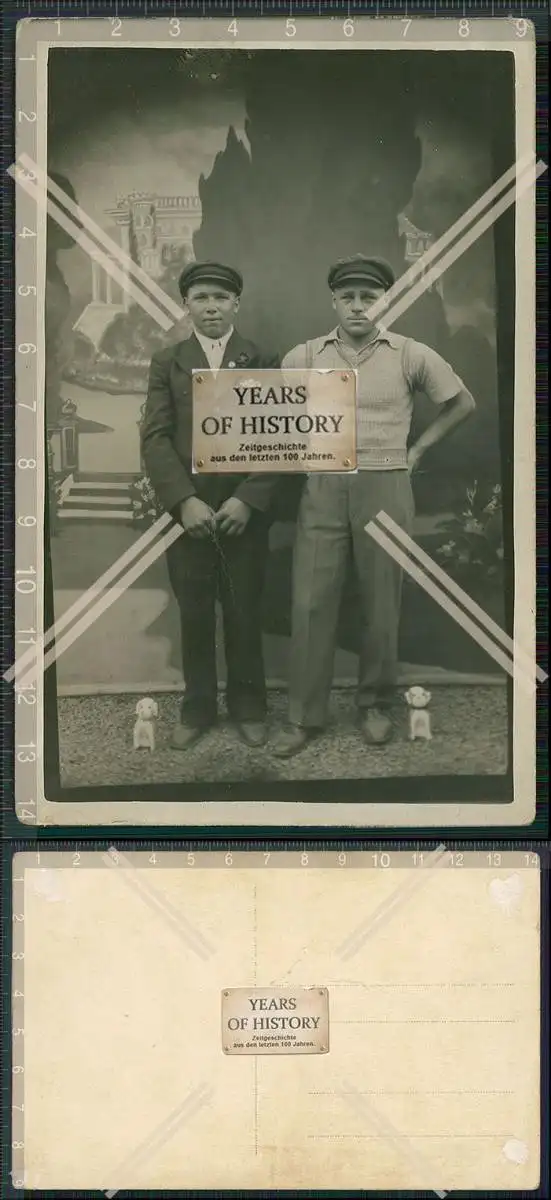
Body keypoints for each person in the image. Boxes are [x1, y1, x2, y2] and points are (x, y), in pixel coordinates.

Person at [272, 253, 476, 757]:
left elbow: (462, 402)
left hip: (386, 483)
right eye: (348, 297)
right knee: (310, 601)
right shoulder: (303, 355)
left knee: (381, 601)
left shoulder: (410, 353)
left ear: (385, 300)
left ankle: (376, 704)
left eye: (369, 297)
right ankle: (303, 715)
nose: (358, 306)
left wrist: (417, 450)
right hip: (322, 485)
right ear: (334, 301)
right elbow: (271, 418)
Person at [141, 261, 279, 751]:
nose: (212, 307)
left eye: (221, 297)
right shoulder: (169, 361)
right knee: (195, 612)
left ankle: (249, 707)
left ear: (236, 303)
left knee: (244, 612)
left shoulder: (262, 358)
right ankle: (197, 707)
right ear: (186, 304)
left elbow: (279, 436)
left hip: (243, 515)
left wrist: (248, 499)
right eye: (201, 297)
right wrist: (184, 502)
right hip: (190, 516)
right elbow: (156, 437)